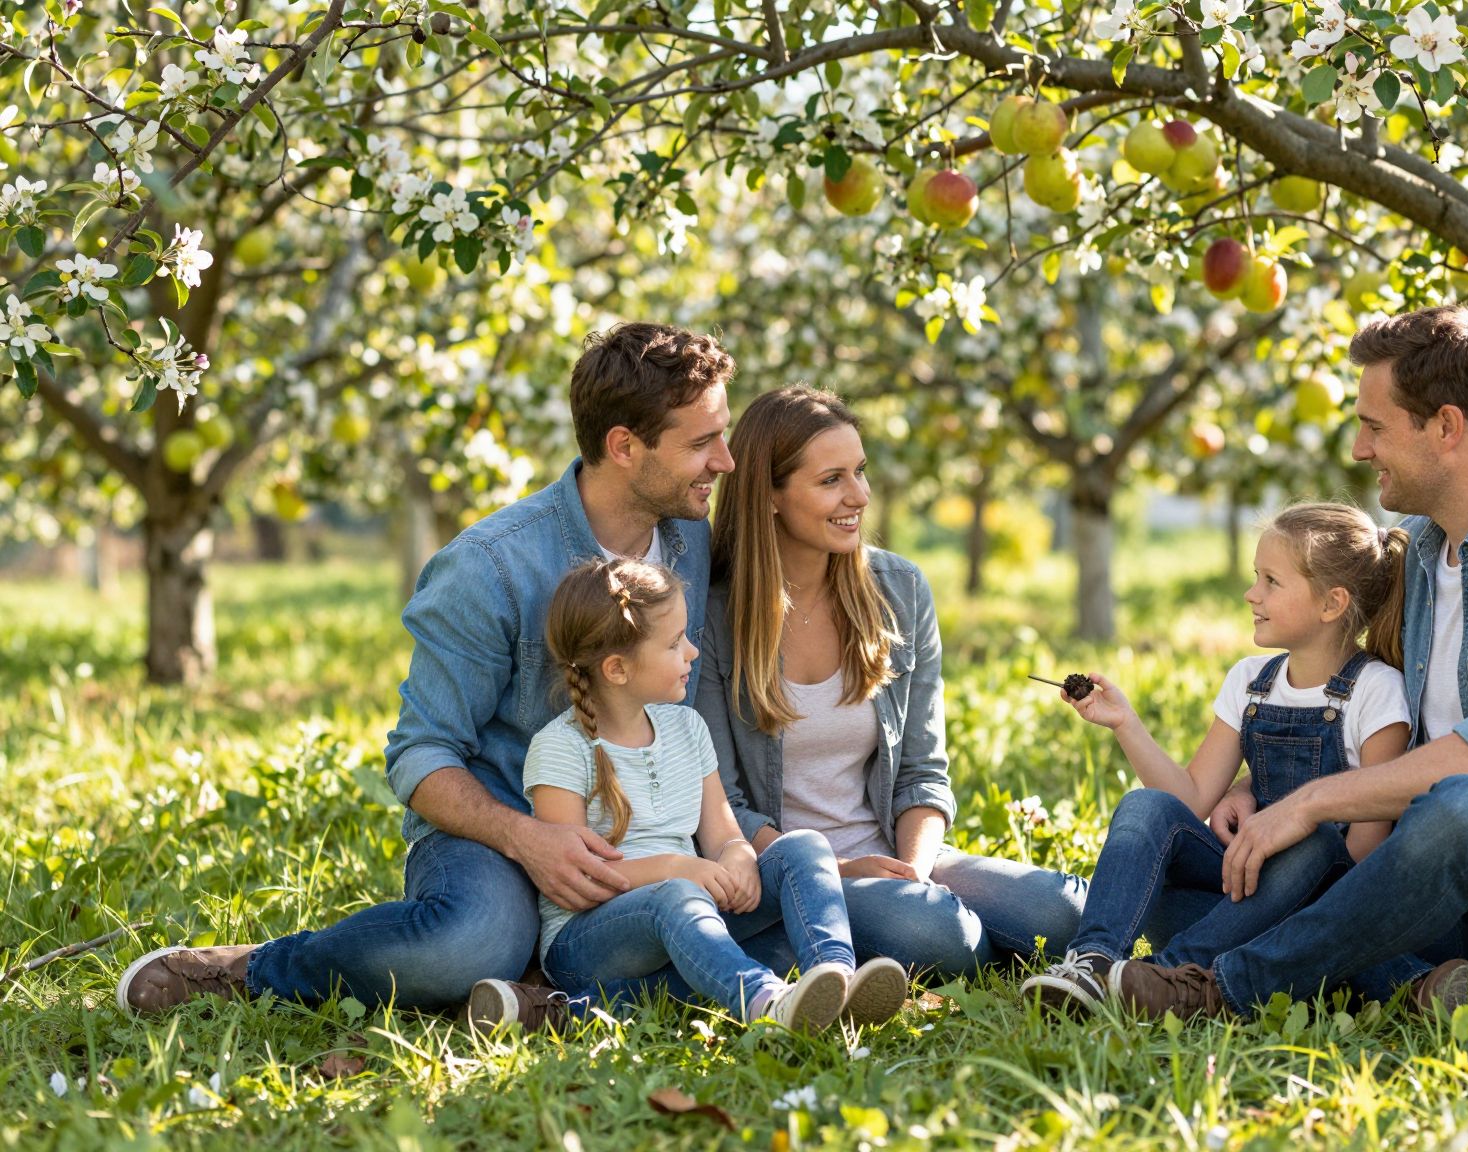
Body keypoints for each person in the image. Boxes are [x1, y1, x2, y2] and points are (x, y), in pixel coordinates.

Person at [118, 323, 738, 1015]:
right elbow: (421, 754)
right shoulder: (490, 566)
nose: (727, 461)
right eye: (702, 443)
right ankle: (261, 968)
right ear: (624, 446)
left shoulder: (697, 542)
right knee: (465, 946)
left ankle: (549, 996)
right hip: (498, 830)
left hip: (650, 844)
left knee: (752, 918)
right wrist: (528, 839)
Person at [1104, 304, 1468, 1020]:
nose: (1359, 449)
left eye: (1374, 426)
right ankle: (1428, 985)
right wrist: (1261, 795)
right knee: (1201, 873)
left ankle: (1224, 988)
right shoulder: (1415, 552)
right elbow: (1358, 709)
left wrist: (1310, 802)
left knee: (1466, 805)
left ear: (1446, 427)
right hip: (1433, 889)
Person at [697, 385, 1087, 976]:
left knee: (1066, 911)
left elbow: (922, 772)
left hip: (894, 854)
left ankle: (910, 936)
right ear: (769, 496)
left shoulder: (898, 591)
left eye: (860, 471)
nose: (859, 495)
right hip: (787, 873)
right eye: (831, 480)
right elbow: (726, 805)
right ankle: (859, 941)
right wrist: (845, 873)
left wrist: (916, 873)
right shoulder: (711, 614)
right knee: (942, 936)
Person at [466, 558, 908, 1032]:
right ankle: (766, 1001)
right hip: (591, 939)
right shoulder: (560, 748)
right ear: (617, 669)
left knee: (805, 847)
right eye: (675, 643)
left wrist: (736, 855)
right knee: (679, 900)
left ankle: (836, 978)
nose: (693, 653)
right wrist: (677, 869)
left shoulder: (687, 728)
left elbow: (722, 832)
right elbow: (578, 882)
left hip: (694, 912)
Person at [1020, 503, 1411, 1015]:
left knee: (1313, 841)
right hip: (1238, 891)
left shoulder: (1376, 691)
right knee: (1147, 812)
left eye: (1272, 581)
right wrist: (1125, 723)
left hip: (1322, 901)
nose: (1252, 594)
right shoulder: (1251, 682)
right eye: (1256, 577)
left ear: (1332, 603)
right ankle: (1093, 962)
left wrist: (1287, 842)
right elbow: (1189, 798)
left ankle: (1166, 975)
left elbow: (1365, 857)